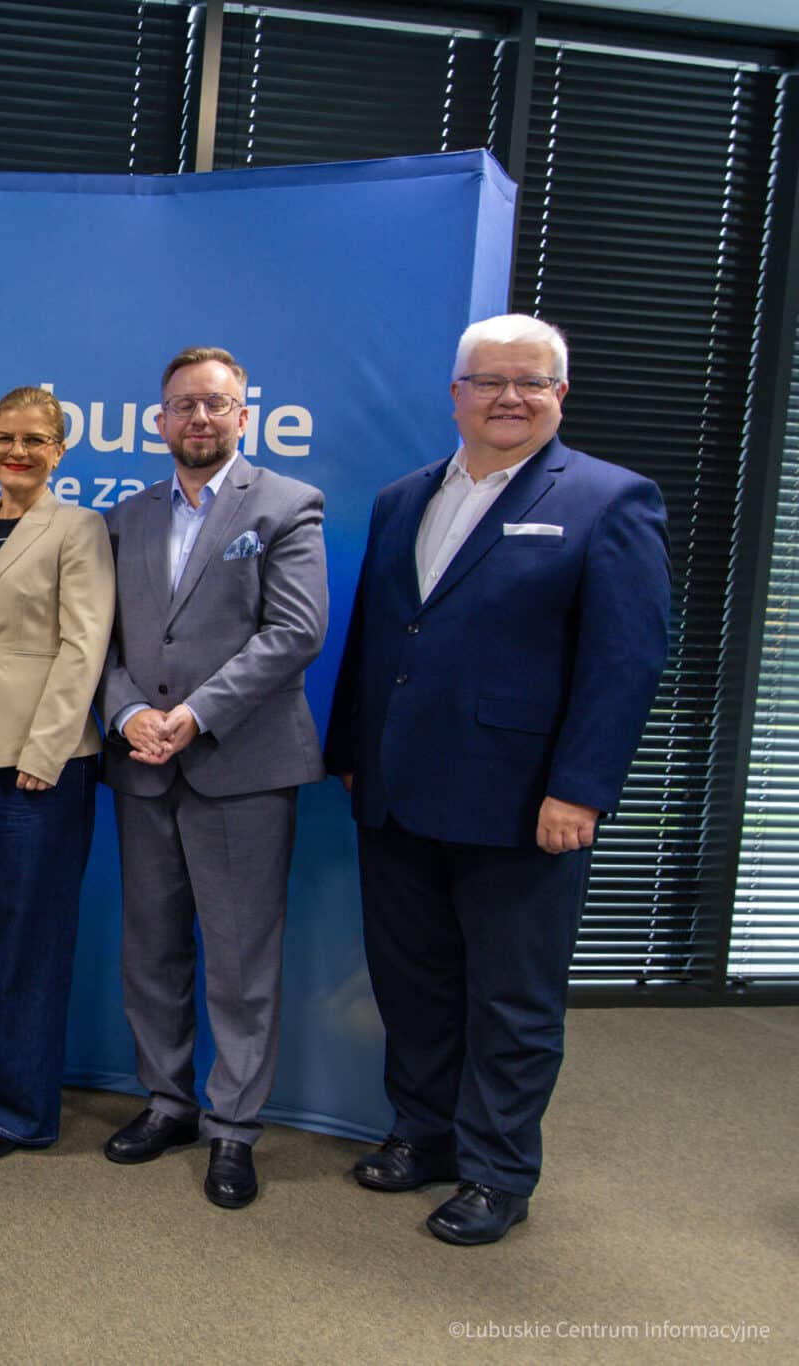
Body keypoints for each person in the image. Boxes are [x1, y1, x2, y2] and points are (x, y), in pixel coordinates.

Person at [325, 313, 669, 1246]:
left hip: (523, 805)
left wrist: (582, 789)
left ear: (561, 394)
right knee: (414, 984)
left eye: (532, 382)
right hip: (396, 791)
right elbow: (380, 636)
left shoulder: (609, 499)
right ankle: (424, 1135)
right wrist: (352, 752)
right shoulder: (406, 497)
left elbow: (625, 661)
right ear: (457, 396)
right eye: (490, 381)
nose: (510, 398)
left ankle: (498, 1172)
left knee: (511, 1001)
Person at [97, 346, 327, 1210]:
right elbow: (101, 642)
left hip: (240, 765)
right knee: (150, 951)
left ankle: (233, 1129)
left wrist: (192, 715)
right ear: (159, 419)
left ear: (243, 415)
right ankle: (167, 1103)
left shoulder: (284, 505)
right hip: (142, 766)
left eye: (216, 404)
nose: (199, 418)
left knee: (239, 962)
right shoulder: (125, 517)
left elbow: (294, 632)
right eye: (183, 405)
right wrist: (127, 715)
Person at [0, 387, 113, 1159]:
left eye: (36, 439)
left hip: (43, 762)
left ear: (60, 450)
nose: (18, 451)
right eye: (5, 437)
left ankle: (20, 1108)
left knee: (28, 935)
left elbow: (84, 645)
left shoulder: (79, 528)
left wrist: (45, 750)